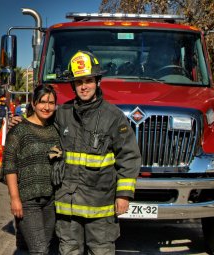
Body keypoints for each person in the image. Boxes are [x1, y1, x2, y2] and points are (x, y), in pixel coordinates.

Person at [11, 51, 141, 254]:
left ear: (97, 82)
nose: (84, 86)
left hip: (100, 207)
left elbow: (129, 157)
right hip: (67, 207)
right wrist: (22, 122)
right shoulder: (62, 114)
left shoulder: (113, 117)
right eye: (79, 81)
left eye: (88, 80)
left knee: (101, 251)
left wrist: (123, 195)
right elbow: (39, 123)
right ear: (73, 85)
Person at [1, 84, 60, 254]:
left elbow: (57, 152)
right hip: (28, 201)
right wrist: (15, 198)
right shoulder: (19, 130)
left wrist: (56, 153)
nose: (46, 107)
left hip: (50, 199)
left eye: (51, 102)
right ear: (33, 104)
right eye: (42, 102)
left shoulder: (54, 130)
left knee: (42, 246)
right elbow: (9, 166)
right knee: (40, 250)